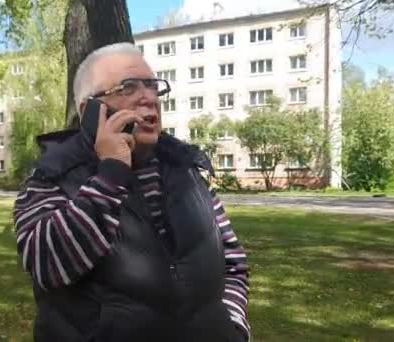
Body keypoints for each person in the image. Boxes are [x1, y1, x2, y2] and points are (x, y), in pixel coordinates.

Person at [13, 42, 250, 342]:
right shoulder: (52, 175)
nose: (149, 98)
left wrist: (233, 328)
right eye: (128, 87)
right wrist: (111, 173)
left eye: (153, 86)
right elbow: (46, 263)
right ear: (90, 111)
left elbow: (232, 261)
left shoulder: (185, 168)